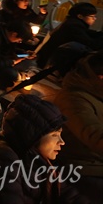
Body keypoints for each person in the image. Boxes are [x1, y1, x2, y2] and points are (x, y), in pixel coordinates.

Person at [0, 95, 87, 203]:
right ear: (32, 136)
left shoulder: (39, 160)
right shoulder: (2, 160)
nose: (62, 142)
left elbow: (68, 195)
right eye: (54, 135)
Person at [55, 51, 103, 203]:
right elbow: (95, 137)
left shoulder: (96, 91)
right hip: (82, 166)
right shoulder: (73, 99)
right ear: (100, 77)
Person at [37, 2, 103, 69]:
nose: (95, 19)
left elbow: (88, 33)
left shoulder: (72, 22)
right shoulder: (73, 26)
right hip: (50, 63)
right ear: (80, 16)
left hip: (50, 58)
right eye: (92, 16)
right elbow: (91, 44)